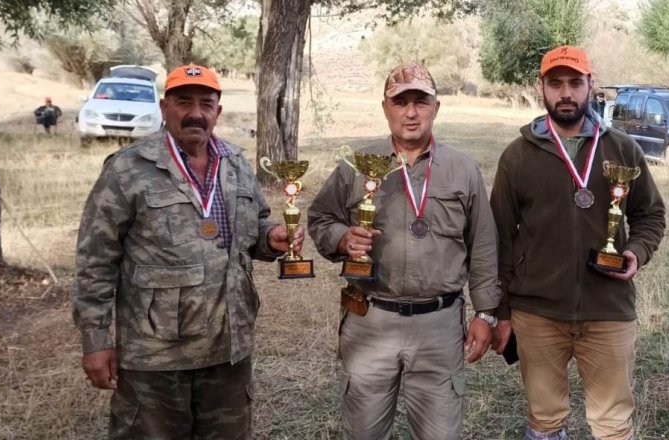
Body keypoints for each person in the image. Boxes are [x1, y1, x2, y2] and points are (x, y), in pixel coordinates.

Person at [71, 64, 303, 439]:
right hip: (155, 354)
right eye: (183, 102)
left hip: (228, 350)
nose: (195, 113)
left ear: (218, 111)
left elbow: (254, 226)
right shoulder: (128, 169)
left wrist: (272, 237)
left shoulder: (236, 165)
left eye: (205, 104)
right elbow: (94, 260)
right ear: (164, 108)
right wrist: (95, 342)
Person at [307, 63, 500, 439]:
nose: (410, 112)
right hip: (370, 320)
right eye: (400, 102)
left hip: (439, 326)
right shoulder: (357, 166)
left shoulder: (463, 169)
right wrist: (343, 238)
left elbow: (484, 245)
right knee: (362, 432)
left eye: (420, 102)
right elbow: (319, 218)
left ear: (436, 108)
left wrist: (487, 314)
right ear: (385, 108)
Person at [489, 45, 666, 440]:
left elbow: (650, 215)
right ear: (542, 88)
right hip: (536, 314)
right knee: (546, 421)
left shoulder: (622, 148)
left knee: (613, 424)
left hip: (608, 310)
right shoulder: (517, 157)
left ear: (591, 85)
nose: (565, 92)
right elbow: (499, 237)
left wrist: (635, 252)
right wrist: (500, 312)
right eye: (555, 83)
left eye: (575, 82)